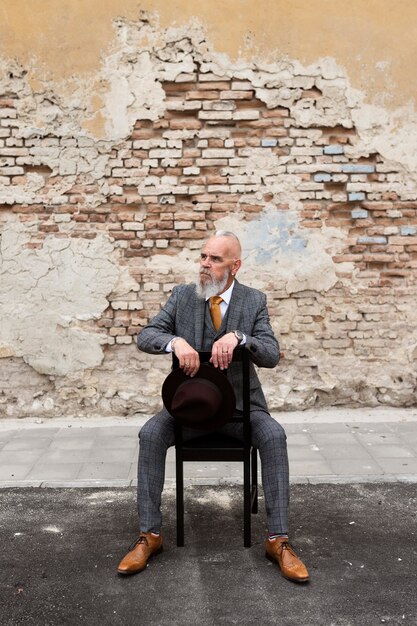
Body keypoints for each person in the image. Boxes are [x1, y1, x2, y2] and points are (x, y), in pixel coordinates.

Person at [117, 231, 309, 583]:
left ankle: (278, 540)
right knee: (150, 434)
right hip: (188, 410)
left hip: (242, 410)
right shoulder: (182, 296)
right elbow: (146, 336)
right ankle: (149, 535)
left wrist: (241, 338)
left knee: (275, 437)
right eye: (203, 256)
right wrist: (174, 342)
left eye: (215, 259)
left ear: (234, 266)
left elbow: (270, 354)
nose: (205, 264)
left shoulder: (254, 301)